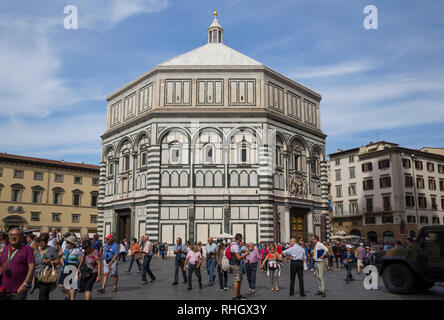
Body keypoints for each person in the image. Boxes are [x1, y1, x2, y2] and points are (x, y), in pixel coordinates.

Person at [0, 228, 35, 300]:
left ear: (21, 237)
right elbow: (1, 266)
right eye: (11, 235)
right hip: (3, 289)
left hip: (18, 289)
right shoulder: (5, 249)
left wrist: (25, 284)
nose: (13, 237)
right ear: (8, 237)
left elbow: (31, 268)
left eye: (16, 235)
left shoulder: (27, 249)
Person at [33, 233, 60, 300]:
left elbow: (58, 261)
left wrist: (50, 262)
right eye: (39, 243)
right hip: (37, 276)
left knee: (42, 295)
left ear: (46, 242)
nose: (40, 245)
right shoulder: (37, 251)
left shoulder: (52, 250)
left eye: (42, 243)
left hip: (47, 275)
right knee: (44, 295)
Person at [58, 235, 82, 300]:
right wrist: (59, 263)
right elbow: (63, 258)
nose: (66, 243)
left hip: (74, 268)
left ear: (72, 243)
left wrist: (79, 270)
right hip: (66, 267)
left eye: (68, 242)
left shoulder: (77, 250)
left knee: (72, 286)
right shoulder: (66, 249)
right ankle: (68, 295)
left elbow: (81, 261)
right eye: (67, 242)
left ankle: (72, 298)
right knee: (61, 285)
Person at [230, 233, 250, 300]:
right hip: (235, 264)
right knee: (237, 280)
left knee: (239, 279)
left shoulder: (234, 244)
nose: (242, 239)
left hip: (236, 264)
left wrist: (243, 251)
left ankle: (238, 295)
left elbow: (237, 252)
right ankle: (235, 296)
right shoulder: (235, 245)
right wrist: (246, 254)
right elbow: (238, 257)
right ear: (239, 238)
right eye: (241, 238)